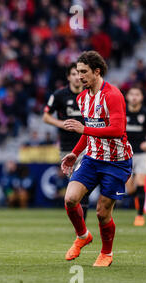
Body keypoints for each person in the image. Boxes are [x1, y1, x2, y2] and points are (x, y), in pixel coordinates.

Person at [61, 51, 133, 267]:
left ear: (97, 71)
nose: (79, 76)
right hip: (92, 158)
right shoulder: (82, 97)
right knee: (70, 199)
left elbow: (117, 129)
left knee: (102, 212)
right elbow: (89, 131)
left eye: (83, 72)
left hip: (116, 161)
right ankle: (83, 236)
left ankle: (106, 253)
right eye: (77, 72)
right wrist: (75, 153)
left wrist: (85, 128)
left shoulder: (112, 95)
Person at [43, 62, 89, 220]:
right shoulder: (59, 95)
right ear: (69, 77)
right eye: (74, 74)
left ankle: (82, 229)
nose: (77, 77)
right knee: (75, 190)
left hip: (89, 146)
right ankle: (81, 228)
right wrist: (61, 123)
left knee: (84, 187)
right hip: (68, 148)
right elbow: (46, 116)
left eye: (80, 74)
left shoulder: (90, 94)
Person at [124, 87, 146, 226]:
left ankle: (140, 216)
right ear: (127, 96)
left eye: (137, 94)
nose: (134, 97)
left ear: (141, 97)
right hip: (125, 154)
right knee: (130, 189)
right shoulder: (122, 112)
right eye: (132, 94)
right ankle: (136, 196)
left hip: (141, 154)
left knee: (141, 183)